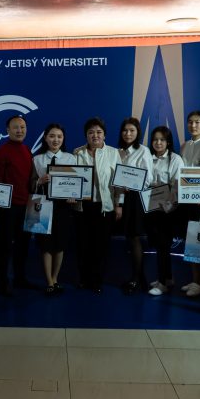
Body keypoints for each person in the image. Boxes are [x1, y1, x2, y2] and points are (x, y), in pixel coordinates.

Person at [74, 117, 122, 293]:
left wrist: (119, 204)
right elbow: (71, 180)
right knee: (83, 245)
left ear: (104, 135)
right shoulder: (77, 153)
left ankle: (97, 280)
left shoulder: (113, 153)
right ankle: (83, 278)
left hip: (105, 206)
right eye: (91, 132)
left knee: (101, 246)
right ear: (86, 135)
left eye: (99, 132)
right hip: (83, 207)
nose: (95, 135)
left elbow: (119, 182)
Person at [0, 115, 35, 295]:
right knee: (5, 246)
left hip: (26, 206)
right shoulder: (2, 152)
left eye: (22, 127)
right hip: (8, 207)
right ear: (7, 130)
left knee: (23, 245)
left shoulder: (27, 150)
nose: (19, 131)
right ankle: (2, 283)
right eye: (16, 127)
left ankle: (20, 278)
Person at [32, 123, 76, 295]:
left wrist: (74, 195)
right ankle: (49, 281)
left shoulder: (71, 158)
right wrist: (39, 181)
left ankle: (55, 278)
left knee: (60, 244)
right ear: (45, 138)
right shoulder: (37, 159)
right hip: (43, 205)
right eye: (51, 136)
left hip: (64, 206)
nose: (55, 139)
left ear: (63, 138)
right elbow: (30, 183)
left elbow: (77, 183)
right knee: (46, 245)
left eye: (59, 136)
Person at [146, 126, 183, 296]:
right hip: (151, 208)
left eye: (162, 139)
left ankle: (162, 284)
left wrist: (168, 206)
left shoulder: (175, 159)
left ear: (168, 142)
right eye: (155, 139)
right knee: (160, 246)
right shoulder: (148, 157)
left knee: (163, 246)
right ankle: (168, 278)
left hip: (168, 210)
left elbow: (177, 186)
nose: (158, 143)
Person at [179, 110, 200, 297]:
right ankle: (196, 279)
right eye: (190, 122)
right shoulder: (184, 145)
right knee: (189, 239)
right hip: (186, 198)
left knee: (199, 240)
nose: (193, 125)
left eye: (197, 122)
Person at [118, 117, 154, 295]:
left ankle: (136, 279)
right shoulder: (118, 152)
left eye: (132, 130)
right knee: (129, 237)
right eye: (125, 130)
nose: (128, 133)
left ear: (138, 132)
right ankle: (140, 277)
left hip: (137, 198)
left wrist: (131, 184)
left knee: (134, 237)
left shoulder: (143, 150)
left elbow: (149, 178)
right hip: (123, 198)